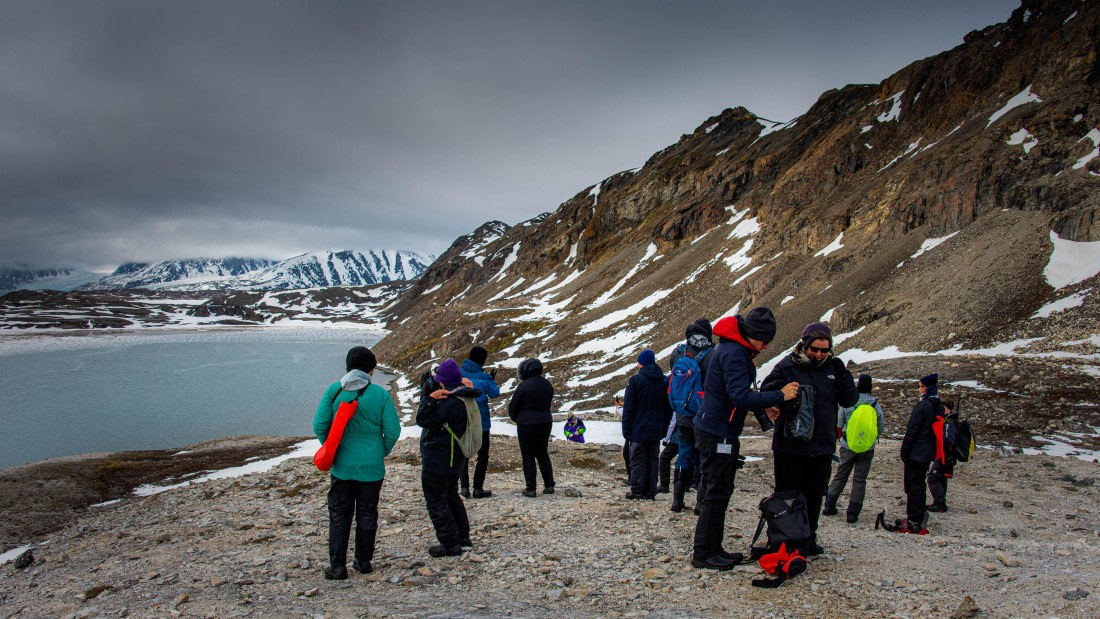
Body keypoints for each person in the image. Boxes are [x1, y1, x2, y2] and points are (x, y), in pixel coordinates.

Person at [691, 308, 799, 570]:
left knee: (717, 490)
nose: (766, 346)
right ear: (754, 335)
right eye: (764, 341)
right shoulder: (735, 354)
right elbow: (739, 396)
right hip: (718, 432)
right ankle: (704, 553)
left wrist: (764, 408)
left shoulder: (733, 350)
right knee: (717, 491)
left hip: (716, 428)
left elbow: (737, 396)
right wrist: (779, 396)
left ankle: (712, 548)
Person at [761, 322, 858, 555]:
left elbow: (849, 400)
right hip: (789, 447)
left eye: (824, 350)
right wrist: (781, 394)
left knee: (815, 495)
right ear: (804, 345)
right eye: (814, 349)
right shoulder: (787, 366)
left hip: (821, 447)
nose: (818, 354)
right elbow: (766, 389)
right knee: (787, 495)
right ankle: (784, 540)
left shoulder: (834, 369)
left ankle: (808, 539)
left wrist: (843, 374)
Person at [313, 346, 401, 579]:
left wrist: (333, 446)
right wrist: (380, 450)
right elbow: (392, 430)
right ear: (371, 371)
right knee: (367, 512)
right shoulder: (380, 394)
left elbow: (320, 425)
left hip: (342, 465)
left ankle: (337, 566)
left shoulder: (334, 390)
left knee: (340, 514)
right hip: (372, 466)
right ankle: (363, 561)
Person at [416, 359, 482, 557]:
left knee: (436, 500)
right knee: (451, 495)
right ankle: (462, 536)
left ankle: (450, 543)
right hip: (456, 457)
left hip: (439, 457)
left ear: (443, 381)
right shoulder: (465, 397)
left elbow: (423, 419)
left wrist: (429, 399)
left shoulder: (449, 402)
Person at [823, 374, 885, 523]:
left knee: (841, 475)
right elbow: (880, 427)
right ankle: (852, 514)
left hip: (847, 445)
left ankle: (829, 506)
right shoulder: (875, 404)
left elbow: (838, 424)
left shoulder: (849, 402)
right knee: (859, 479)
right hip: (867, 448)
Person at [667, 319, 714, 510]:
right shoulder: (712, 354)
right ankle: (700, 505)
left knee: (684, 455)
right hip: (704, 415)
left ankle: (677, 501)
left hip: (682, 414)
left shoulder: (677, 353)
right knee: (704, 458)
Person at [622, 350, 673, 499]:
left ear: (641, 363)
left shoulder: (636, 380)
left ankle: (637, 490)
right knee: (652, 459)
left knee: (637, 459)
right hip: (656, 428)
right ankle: (650, 490)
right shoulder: (663, 381)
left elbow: (629, 408)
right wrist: (664, 428)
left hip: (639, 428)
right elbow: (667, 407)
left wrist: (626, 429)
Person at [896, 373, 942, 535]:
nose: (919, 390)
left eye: (920, 386)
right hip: (927, 451)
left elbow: (912, 430)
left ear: (926, 388)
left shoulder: (923, 406)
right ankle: (919, 515)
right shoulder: (937, 405)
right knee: (920, 484)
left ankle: (913, 520)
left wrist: (905, 450)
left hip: (917, 451)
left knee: (912, 485)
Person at [509, 358, 556, 497]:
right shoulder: (547, 384)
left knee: (528, 455)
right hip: (545, 421)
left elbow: (513, 407)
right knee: (542, 453)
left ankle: (531, 488)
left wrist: (517, 418)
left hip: (526, 423)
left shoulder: (524, 386)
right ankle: (549, 485)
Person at [460, 346, 500, 499]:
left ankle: (464, 488)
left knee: (463, 452)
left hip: (462, 418)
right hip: (481, 420)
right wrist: (491, 379)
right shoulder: (484, 377)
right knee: (483, 454)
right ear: (482, 360)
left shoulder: (459, 373)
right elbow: (495, 394)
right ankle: (478, 488)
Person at [927, 398, 957, 512]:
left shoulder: (949, 423)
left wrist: (938, 437)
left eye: (943, 408)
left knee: (932, 478)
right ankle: (940, 502)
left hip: (945, 456)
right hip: (944, 456)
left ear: (948, 409)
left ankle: (940, 504)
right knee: (941, 478)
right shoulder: (947, 421)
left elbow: (949, 441)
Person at [656, 413, 678, 493]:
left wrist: (666, 439)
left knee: (664, 458)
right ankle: (687, 484)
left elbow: (672, 424)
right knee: (687, 459)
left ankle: (664, 485)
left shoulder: (677, 406)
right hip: (690, 438)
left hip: (677, 438)